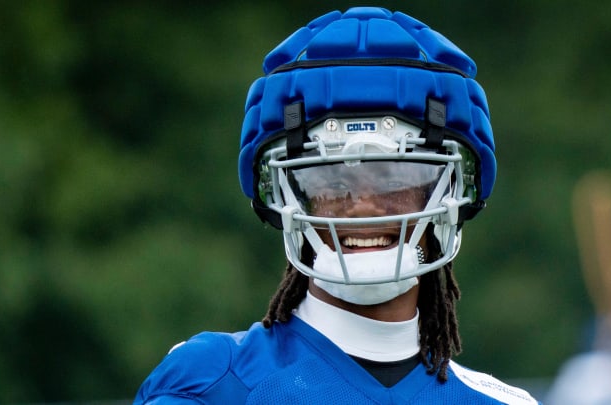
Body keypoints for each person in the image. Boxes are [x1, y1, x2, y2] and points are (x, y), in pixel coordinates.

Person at [134, 7, 540, 404]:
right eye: (334, 183)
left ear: (453, 193)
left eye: (394, 180)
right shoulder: (213, 384)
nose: (362, 205)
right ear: (282, 195)